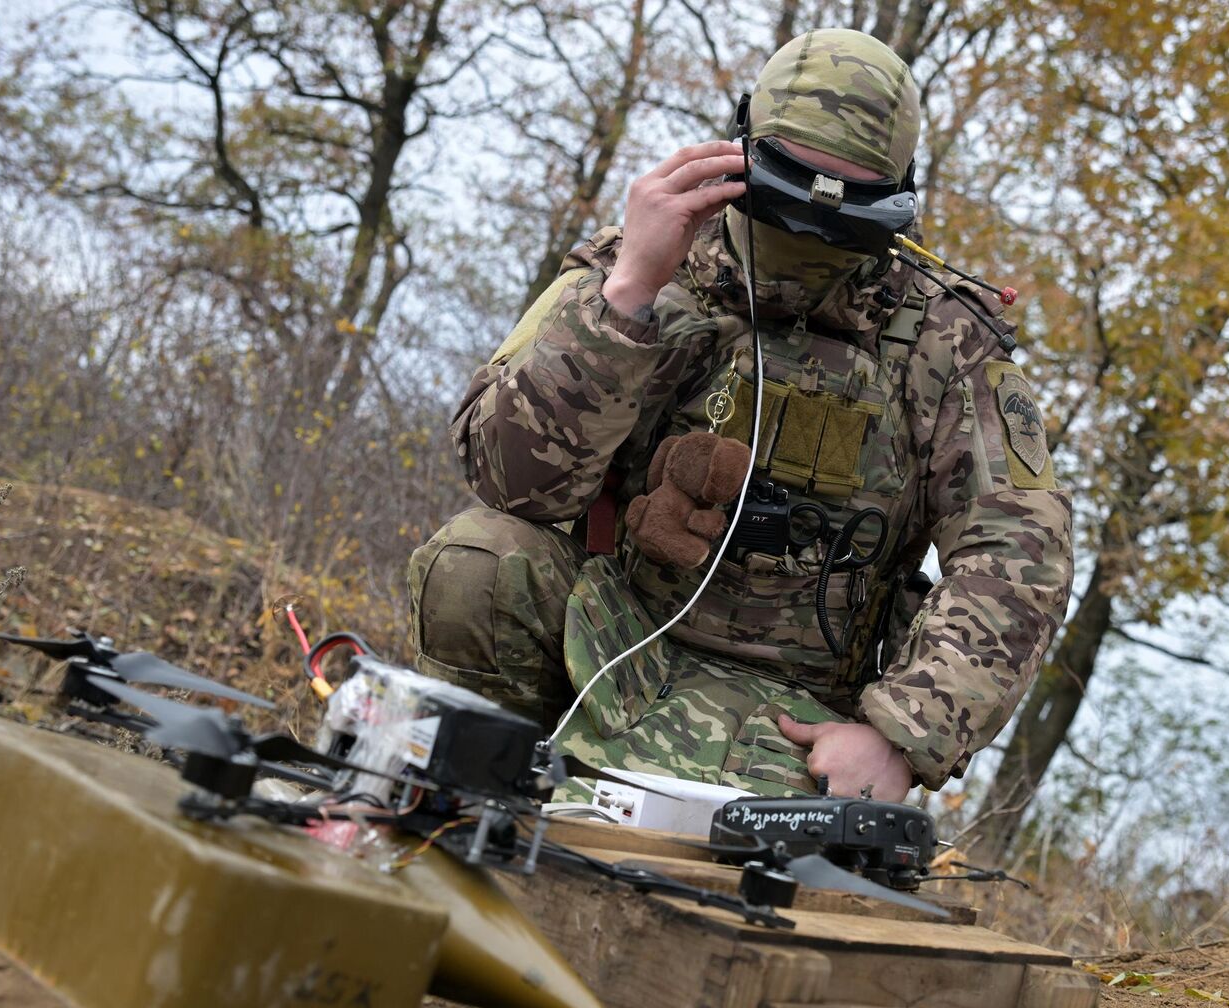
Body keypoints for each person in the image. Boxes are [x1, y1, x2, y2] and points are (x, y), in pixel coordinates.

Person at [406, 28, 1073, 804]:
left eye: (850, 198)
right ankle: (485, 797)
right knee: (478, 561)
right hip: (610, 640)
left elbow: (1020, 551)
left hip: (806, 715)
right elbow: (513, 486)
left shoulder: (946, 340)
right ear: (743, 145)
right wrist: (626, 297)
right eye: (795, 180)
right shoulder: (643, 263)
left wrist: (899, 736)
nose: (812, 224)